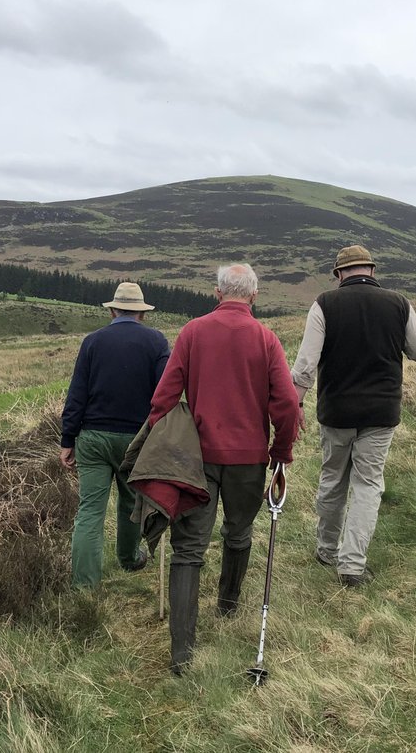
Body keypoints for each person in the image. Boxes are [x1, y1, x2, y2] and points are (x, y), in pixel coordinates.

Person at [147, 263, 299, 675]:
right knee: (239, 532)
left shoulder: (193, 333)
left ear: (217, 293)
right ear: (254, 296)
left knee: (188, 549)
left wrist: (157, 446)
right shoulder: (266, 339)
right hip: (249, 460)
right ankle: (228, 606)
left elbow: (163, 397)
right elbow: (286, 405)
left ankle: (182, 654)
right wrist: (280, 452)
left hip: (195, 459)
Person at [291, 245, 416, 588]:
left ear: (339, 273)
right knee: (368, 485)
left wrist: (294, 406)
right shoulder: (398, 302)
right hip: (381, 413)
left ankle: (326, 550)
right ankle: (352, 566)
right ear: (371, 269)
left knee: (332, 480)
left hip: (336, 410)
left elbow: (306, 365)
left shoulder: (324, 303)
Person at [60, 281, 170, 589]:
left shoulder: (92, 342)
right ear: (142, 313)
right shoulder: (157, 342)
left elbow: (76, 396)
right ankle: (129, 558)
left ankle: (85, 586)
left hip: (92, 438)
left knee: (90, 512)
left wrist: (68, 441)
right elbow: (165, 394)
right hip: (136, 440)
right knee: (131, 501)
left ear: (112, 310)